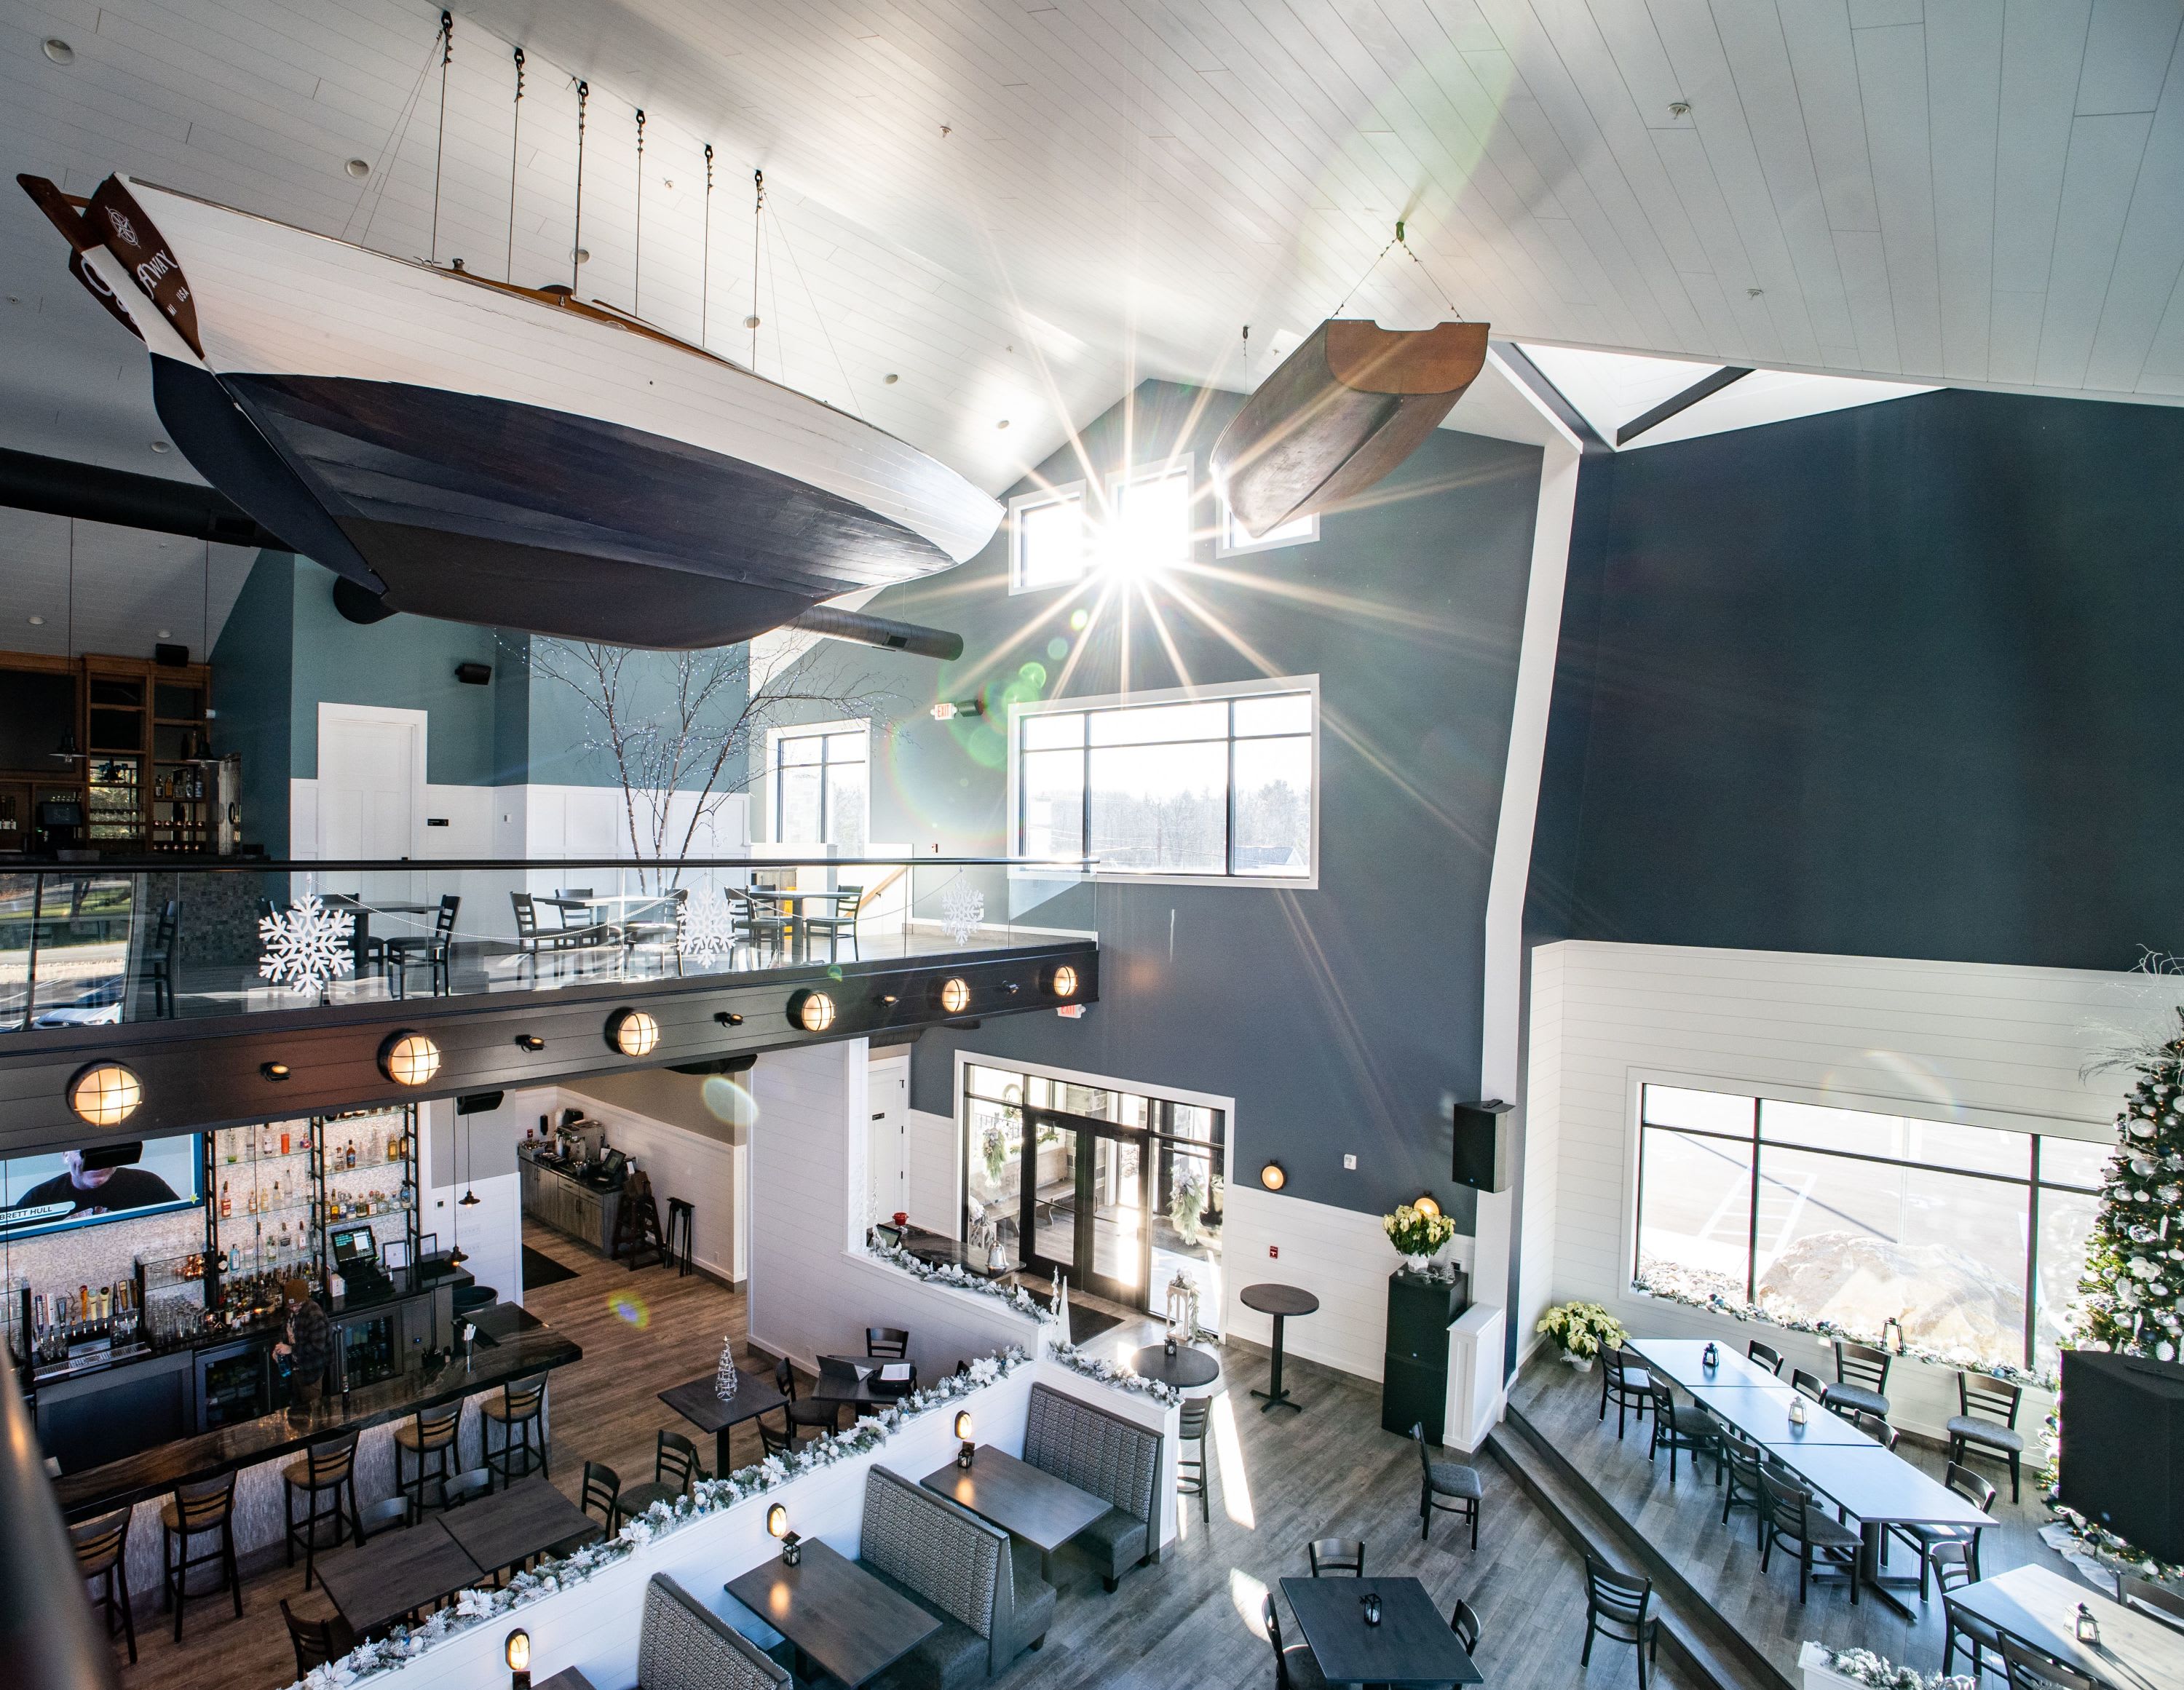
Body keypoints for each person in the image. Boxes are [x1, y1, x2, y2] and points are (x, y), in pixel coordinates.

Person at [10, 1147, 179, 1221]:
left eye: (104, 1152)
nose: (97, 1163)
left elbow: (182, 1221)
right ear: (66, 1155)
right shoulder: (38, 1199)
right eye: (85, 1153)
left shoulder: (148, 1185)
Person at [273, 1278, 332, 1411]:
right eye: (290, 1306)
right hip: (295, 1369)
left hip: (311, 1371)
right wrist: (280, 1346)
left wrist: (290, 1349)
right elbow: (284, 1329)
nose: (294, 1309)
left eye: (297, 1305)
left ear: (305, 1300)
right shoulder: (290, 1311)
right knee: (298, 1411)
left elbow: (317, 1348)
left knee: (313, 1410)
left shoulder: (314, 1315)